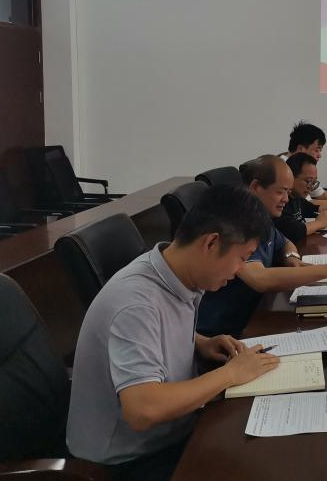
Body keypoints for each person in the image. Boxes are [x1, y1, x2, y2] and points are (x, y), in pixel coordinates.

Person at [66, 184, 281, 480]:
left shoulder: (178, 272)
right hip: (128, 460)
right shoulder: (135, 303)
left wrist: (200, 342)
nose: (240, 270)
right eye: (242, 258)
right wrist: (230, 374)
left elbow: (154, 330)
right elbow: (143, 410)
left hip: (174, 428)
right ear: (211, 243)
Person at [196, 155, 327, 337]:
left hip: (257, 312)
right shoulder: (236, 223)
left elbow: (284, 242)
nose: (286, 199)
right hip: (229, 330)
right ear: (255, 187)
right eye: (280, 192)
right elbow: (259, 279)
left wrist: (291, 257)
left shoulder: (262, 216)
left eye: (288, 192)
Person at [275, 152, 327, 243]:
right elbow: (292, 231)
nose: (311, 187)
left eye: (314, 182)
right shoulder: (280, 202)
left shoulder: (297, 197)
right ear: (291, 177)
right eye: (308, 181)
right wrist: (320, 223)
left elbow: (314, 209)